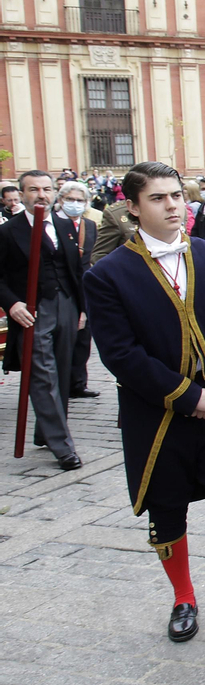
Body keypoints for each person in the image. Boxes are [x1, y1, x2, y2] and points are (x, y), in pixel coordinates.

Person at [82, 162, 205, 642]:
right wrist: (186, 396)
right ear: (132, 208)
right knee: (166, 507)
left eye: (176, 196)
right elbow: (121, 355)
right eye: (158, 198)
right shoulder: (108, 275)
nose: (173, 205)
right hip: (156, 413)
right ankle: (184, 598)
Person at [0, 170, 86, 469]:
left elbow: (76, 270)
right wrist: (12, 304)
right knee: (43, 374)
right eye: (34, 189)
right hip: (32, 311)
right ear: (22, 194)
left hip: (66, 305)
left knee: (62, 373)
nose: (42, 195)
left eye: (47, 189)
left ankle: (44, 431)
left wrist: (82, 308)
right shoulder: (8, 231)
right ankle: (63, 446)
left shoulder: (65, 226)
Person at [55, 180, 100, 399]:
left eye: (80, 200)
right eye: (70, 199)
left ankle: (78, 383)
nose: (75, 204)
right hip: (61, 287)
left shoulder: (89, 225)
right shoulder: (52, 223)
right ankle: (59, 383)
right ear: (60, 200)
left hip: (84, 287)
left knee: (83, 339)